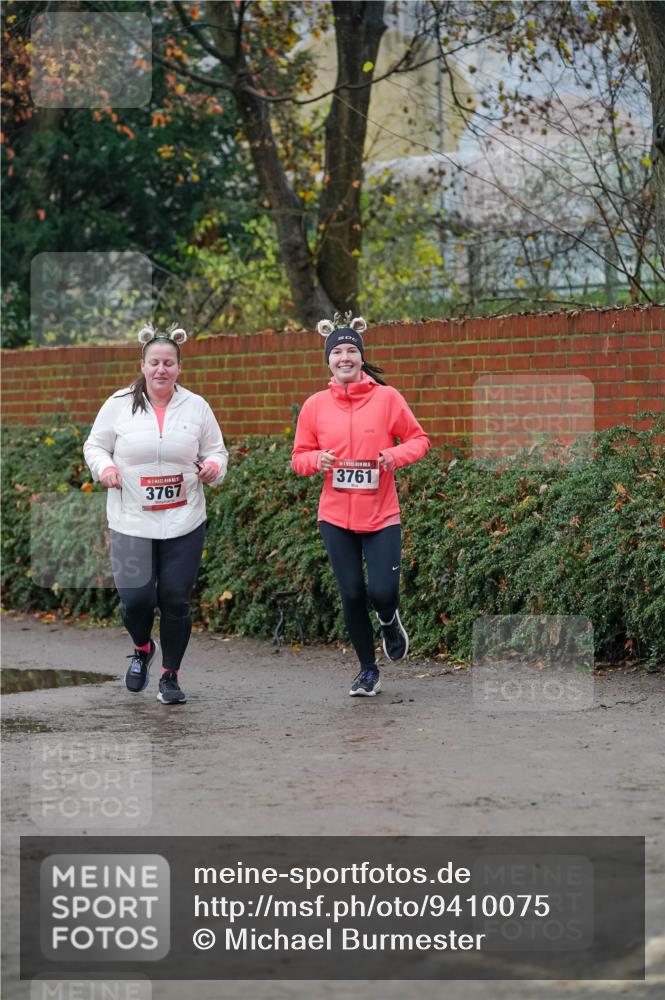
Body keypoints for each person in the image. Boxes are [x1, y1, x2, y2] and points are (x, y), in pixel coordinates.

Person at [83, 324, 227, 705]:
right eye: (154, 363)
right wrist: (106, 469)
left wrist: (213, 468)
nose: (161, 370)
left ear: (179, 367)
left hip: (184, 520)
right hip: (131, 519)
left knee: (176, 599)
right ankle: (143, 648)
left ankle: (170, 676)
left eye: (168, 363)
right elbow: (95, 445)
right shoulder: (118, 404)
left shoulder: (196, 406)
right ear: (143, 365)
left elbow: (217, 451)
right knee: (136, 600)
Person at [291, 313, 430, 697]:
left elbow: (419, 440)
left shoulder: (387, 398)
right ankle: (368, 670)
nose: (345, 357)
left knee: (382, 591)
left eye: (352, 350)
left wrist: (393, 455)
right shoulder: (315, 405)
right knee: (351, 592)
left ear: (361, 357)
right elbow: (298, 457)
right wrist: (315, 460)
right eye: (337, 352)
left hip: (382, 514)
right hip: (335, 517)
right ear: (329, 361)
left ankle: (388, 618)